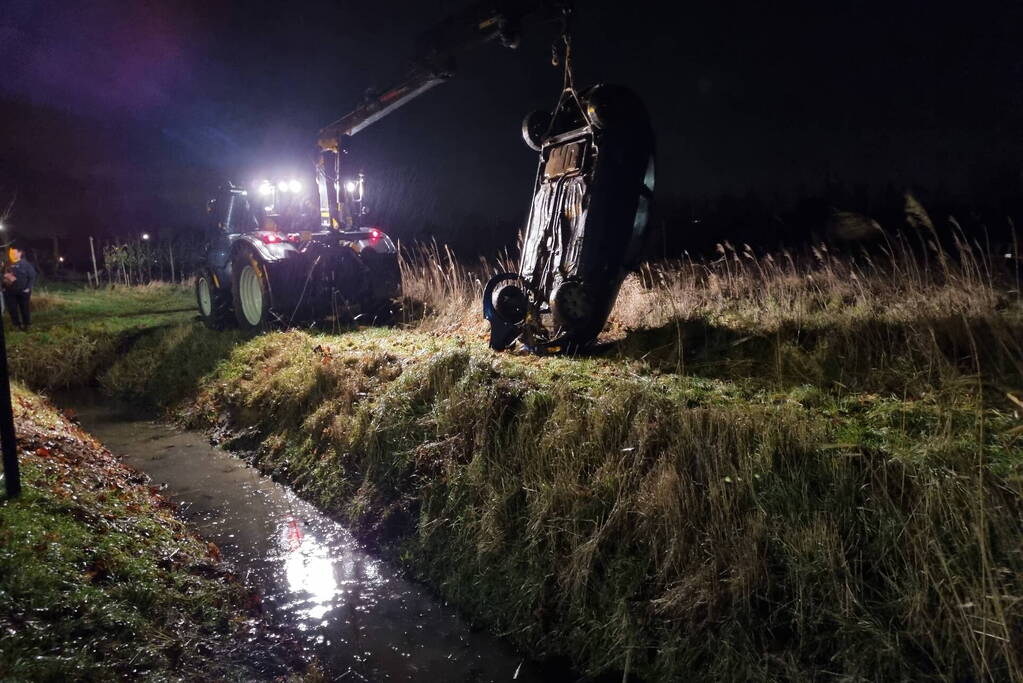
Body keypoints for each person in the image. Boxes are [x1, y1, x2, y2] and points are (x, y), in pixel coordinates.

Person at [3, 246, 36, 331]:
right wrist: (5, 277)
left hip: (23, 291)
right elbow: (2, 275)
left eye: (14, 252)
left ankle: (27, 325)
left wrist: (28, 288)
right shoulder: (7, 264)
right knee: (12, 309)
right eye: (11, 253)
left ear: (20, 253)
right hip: (9, 292)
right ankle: (16, 325)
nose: (12, 254)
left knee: (24, 308)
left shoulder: (26, 264)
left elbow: (32, 277)